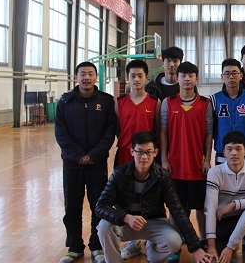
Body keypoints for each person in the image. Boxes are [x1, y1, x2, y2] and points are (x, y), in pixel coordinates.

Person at [96, 131, 212, 263]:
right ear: (132, 152)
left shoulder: (162, 176)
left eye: (148, 152)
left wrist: (196, 247)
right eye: (139, 152)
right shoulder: (119, 174)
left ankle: (152, 255)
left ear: (155, 152)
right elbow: (100, 206)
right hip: (127, 222)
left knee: (174, 241)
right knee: (104, 227)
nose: (144, 157)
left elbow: (177, 210)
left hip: (154, 222)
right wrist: (126, 217)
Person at [55, 62, 116, 263]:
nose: (86, 78)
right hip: (72, 164)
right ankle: (74, 247)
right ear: (76, 77)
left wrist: (94, 155)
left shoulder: (106, 102)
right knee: (72, 206)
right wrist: (78, 156)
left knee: (98, 205)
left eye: (90, 74)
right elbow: (61, 133)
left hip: (96, 164)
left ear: (96, 77)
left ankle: (97, 246)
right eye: (82, 74)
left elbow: (109, 132)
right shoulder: (65, 102)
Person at [160, 61, 213, 242]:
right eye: (183, 75)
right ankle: (175, 243)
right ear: (178, 78)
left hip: (197, 164)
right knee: (176, 208)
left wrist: (207, 160)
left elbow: (209, 133)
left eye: (191, 75)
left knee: (202, 207)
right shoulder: (168, 102)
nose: (187, 79)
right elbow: (163, 132)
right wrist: (164, 159)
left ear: (196, 79)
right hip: (175, 165)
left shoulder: (205, 103)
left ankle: (204, 240)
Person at [114, 59, 161, 260]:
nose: (136, 79)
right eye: (132, 76)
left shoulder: (154, 102)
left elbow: (158, 130)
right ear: (127, 78)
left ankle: (149, 238)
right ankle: (132, 242)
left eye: (140, 75)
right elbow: (118, 130)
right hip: (125, 155)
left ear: (146, 77)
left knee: (148, 198)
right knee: (126, 200)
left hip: (147, 158)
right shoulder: (119, 102)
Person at [204, 131, 245, 262]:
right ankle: (227, 244)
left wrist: (234, 205)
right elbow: (210, 209)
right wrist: (211, 245)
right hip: (224, 220)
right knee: (217, 258)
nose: (234, 153)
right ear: (223, 152)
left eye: (238, 149)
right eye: (229, 149)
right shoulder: (215, 172)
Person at [210, 58, 245, 164]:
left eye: (234, 73)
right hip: (223, 154)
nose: (231, 77)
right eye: (227, 74)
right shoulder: (214, 99)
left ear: (241, 75)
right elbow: (212, 128)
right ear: (222, 76)